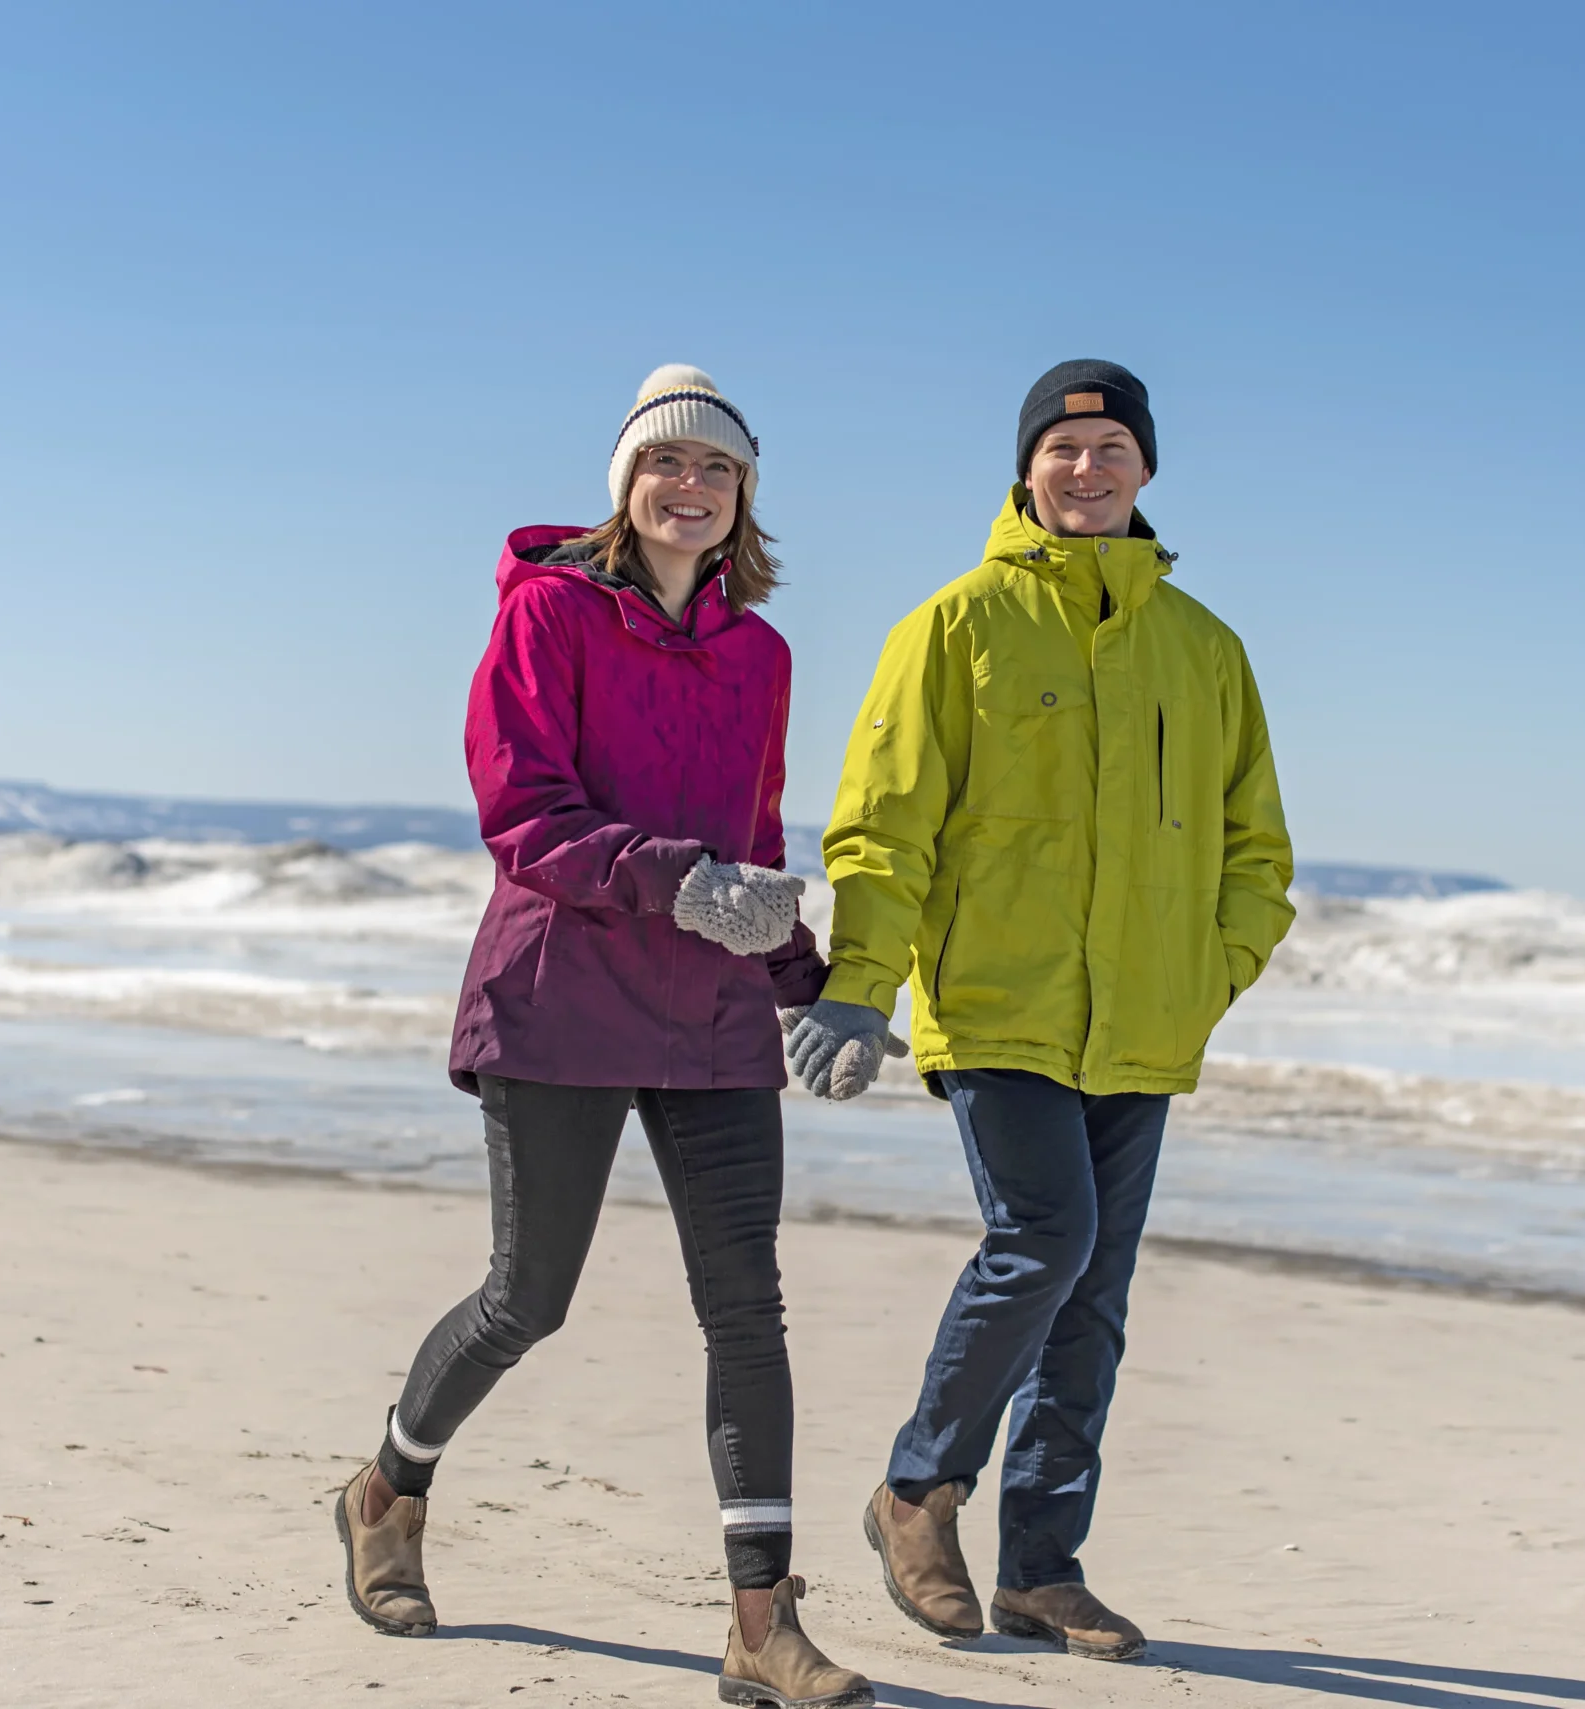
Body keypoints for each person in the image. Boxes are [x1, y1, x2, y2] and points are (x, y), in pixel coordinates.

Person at [336, 366, 872, 1709]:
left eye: (717, 472)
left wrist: (810, 978)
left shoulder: (761, 653)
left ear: (744, 499)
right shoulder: (551, 617)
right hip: (560, 998)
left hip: (708, 1019)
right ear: (624, 489)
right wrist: (673, 881)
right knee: (531, 1297)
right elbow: (523, 810)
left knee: (748, 1307)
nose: (689, 489)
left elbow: (755, 836)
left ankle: (762, 1624)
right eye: (665, 467)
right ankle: (387, 1491)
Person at [787, 359, 1294, 1663]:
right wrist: (860, 987)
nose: (1088, 467)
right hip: (1002, 1009)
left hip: (1143, 1023)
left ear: (1146, 470)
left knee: (1095, 1292)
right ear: (1027, 470)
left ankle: (1042, 1570)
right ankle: (916, 1490)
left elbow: (1257, 850)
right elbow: (883, 827)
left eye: (1113, 444)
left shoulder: (1206, 649)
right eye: (1064, 447)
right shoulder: (954, 627)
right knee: (1045, 1240)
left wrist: (1207, 971)